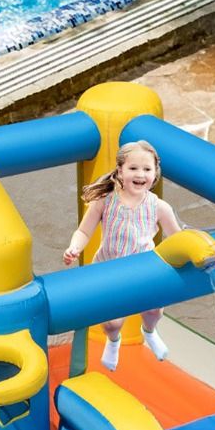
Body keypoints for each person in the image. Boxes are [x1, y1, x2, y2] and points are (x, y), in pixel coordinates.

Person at [62, 140, 182, 369]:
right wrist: (74, 248)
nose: (140, 174)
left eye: (147, 169)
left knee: (154, 310)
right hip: (110, 267)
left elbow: (176, 238)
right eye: (133, 168)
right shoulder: (105, 201)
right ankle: (113, 340)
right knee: (112, 323)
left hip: (143, 268)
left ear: (155, 173)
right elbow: (84, 231)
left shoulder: (159, 207)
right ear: (120, 171)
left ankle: (149, 331)